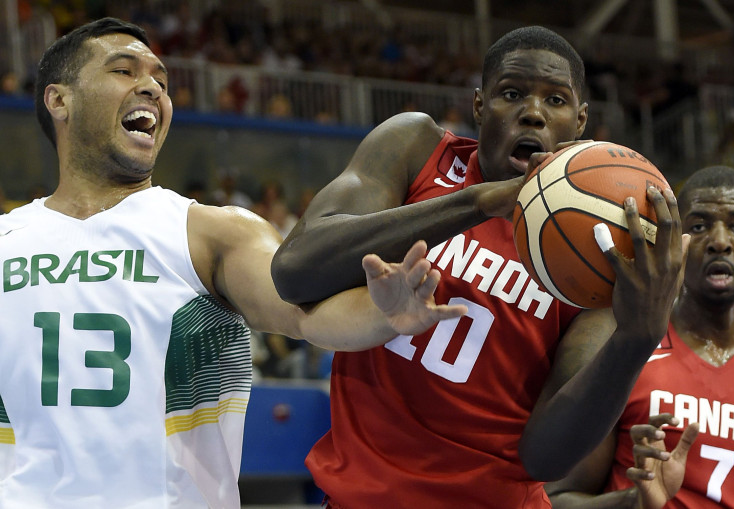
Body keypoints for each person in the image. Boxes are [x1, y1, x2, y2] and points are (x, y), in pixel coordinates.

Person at [0, 18, 467, 508]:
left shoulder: (213, 232)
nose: (152, 88)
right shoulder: (8, 240)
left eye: (160, 80)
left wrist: (382, 316)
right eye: (123, 70)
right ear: (59, 100)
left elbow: (305, 315)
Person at [271, 25, 688, 508]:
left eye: (556, 101)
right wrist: (475, 203)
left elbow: (546, 459)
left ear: (579, 123)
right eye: (512, 94)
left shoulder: (595, 252)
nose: (532, 112)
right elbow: (294, 269)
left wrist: (636, 338)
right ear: (479, 106)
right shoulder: (417, 149)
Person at [546, 165, 734, 508]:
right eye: (699, 226)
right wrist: (635, 501)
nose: (720, 242)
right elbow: (554, 500)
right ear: (674, 243)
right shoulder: (627, 349)